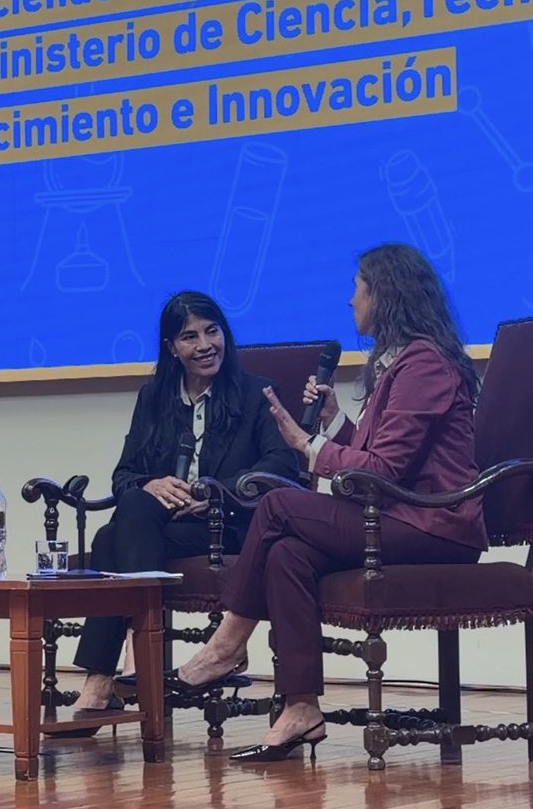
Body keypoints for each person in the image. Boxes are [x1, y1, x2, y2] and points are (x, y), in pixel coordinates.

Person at [173, 243, 487, 763]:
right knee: (286, 554)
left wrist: (306, 446)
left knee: (276, 507)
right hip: (398, 515)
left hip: (435, 524)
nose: (350, 300)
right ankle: (302, 708)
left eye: (358, 288)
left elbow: (384, 472)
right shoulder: (399, 364)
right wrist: (334, 423)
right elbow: (373, 455)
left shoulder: (424, 363)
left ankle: (226, 646)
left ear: (383, 294)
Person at [68, 290, 299, 726]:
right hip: (160, 529)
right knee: (133, 506)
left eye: (212, 332)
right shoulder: (153, 396)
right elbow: (124, 475)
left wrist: (211, 492)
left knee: (109, 537)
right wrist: (152, 484)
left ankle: (103, 679)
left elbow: (280, 465)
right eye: (190, 337)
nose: (205, 345)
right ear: (171, 348)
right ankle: (125, 671)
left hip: (227, 524)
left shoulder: (255, 394)